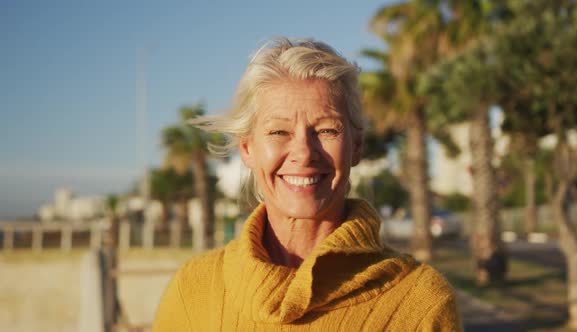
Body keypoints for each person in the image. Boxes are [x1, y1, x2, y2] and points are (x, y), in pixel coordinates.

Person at [153, 38, 462, 331]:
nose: (303, 153)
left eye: (326, 130)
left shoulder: (421, 303)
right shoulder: (192, 291)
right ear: (247, 149)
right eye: (278, 132)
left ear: (356, 146)